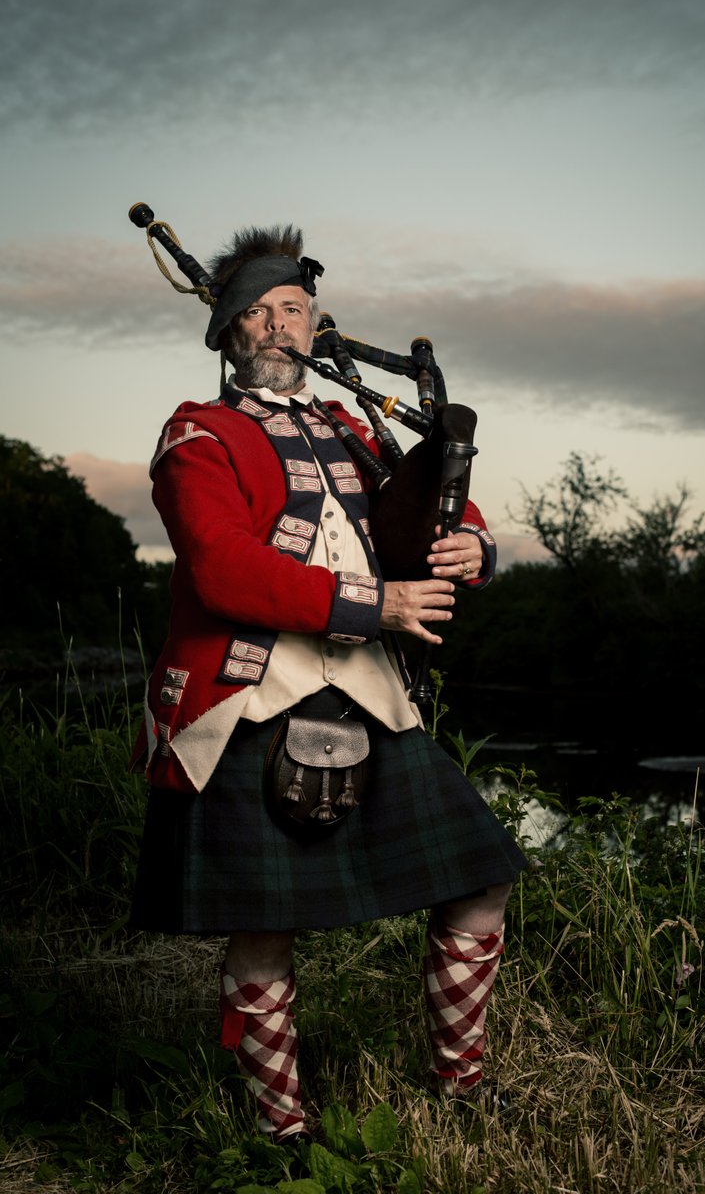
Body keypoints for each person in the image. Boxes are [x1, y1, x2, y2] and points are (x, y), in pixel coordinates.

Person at [131, 224, 528, 1143]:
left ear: (315, 325)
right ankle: (281, 1131)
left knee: (481, 880)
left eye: (295, 309)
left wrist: (471, 546)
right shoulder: (199, 434)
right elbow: (223, 570)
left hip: (372, 697)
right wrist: (376, 604)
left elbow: (427, 507)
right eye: (259, 312)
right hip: (247, 700)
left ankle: (459, 1087)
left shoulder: (353, 429)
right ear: (227, 332)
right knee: (263, 927)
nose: (280, 326)